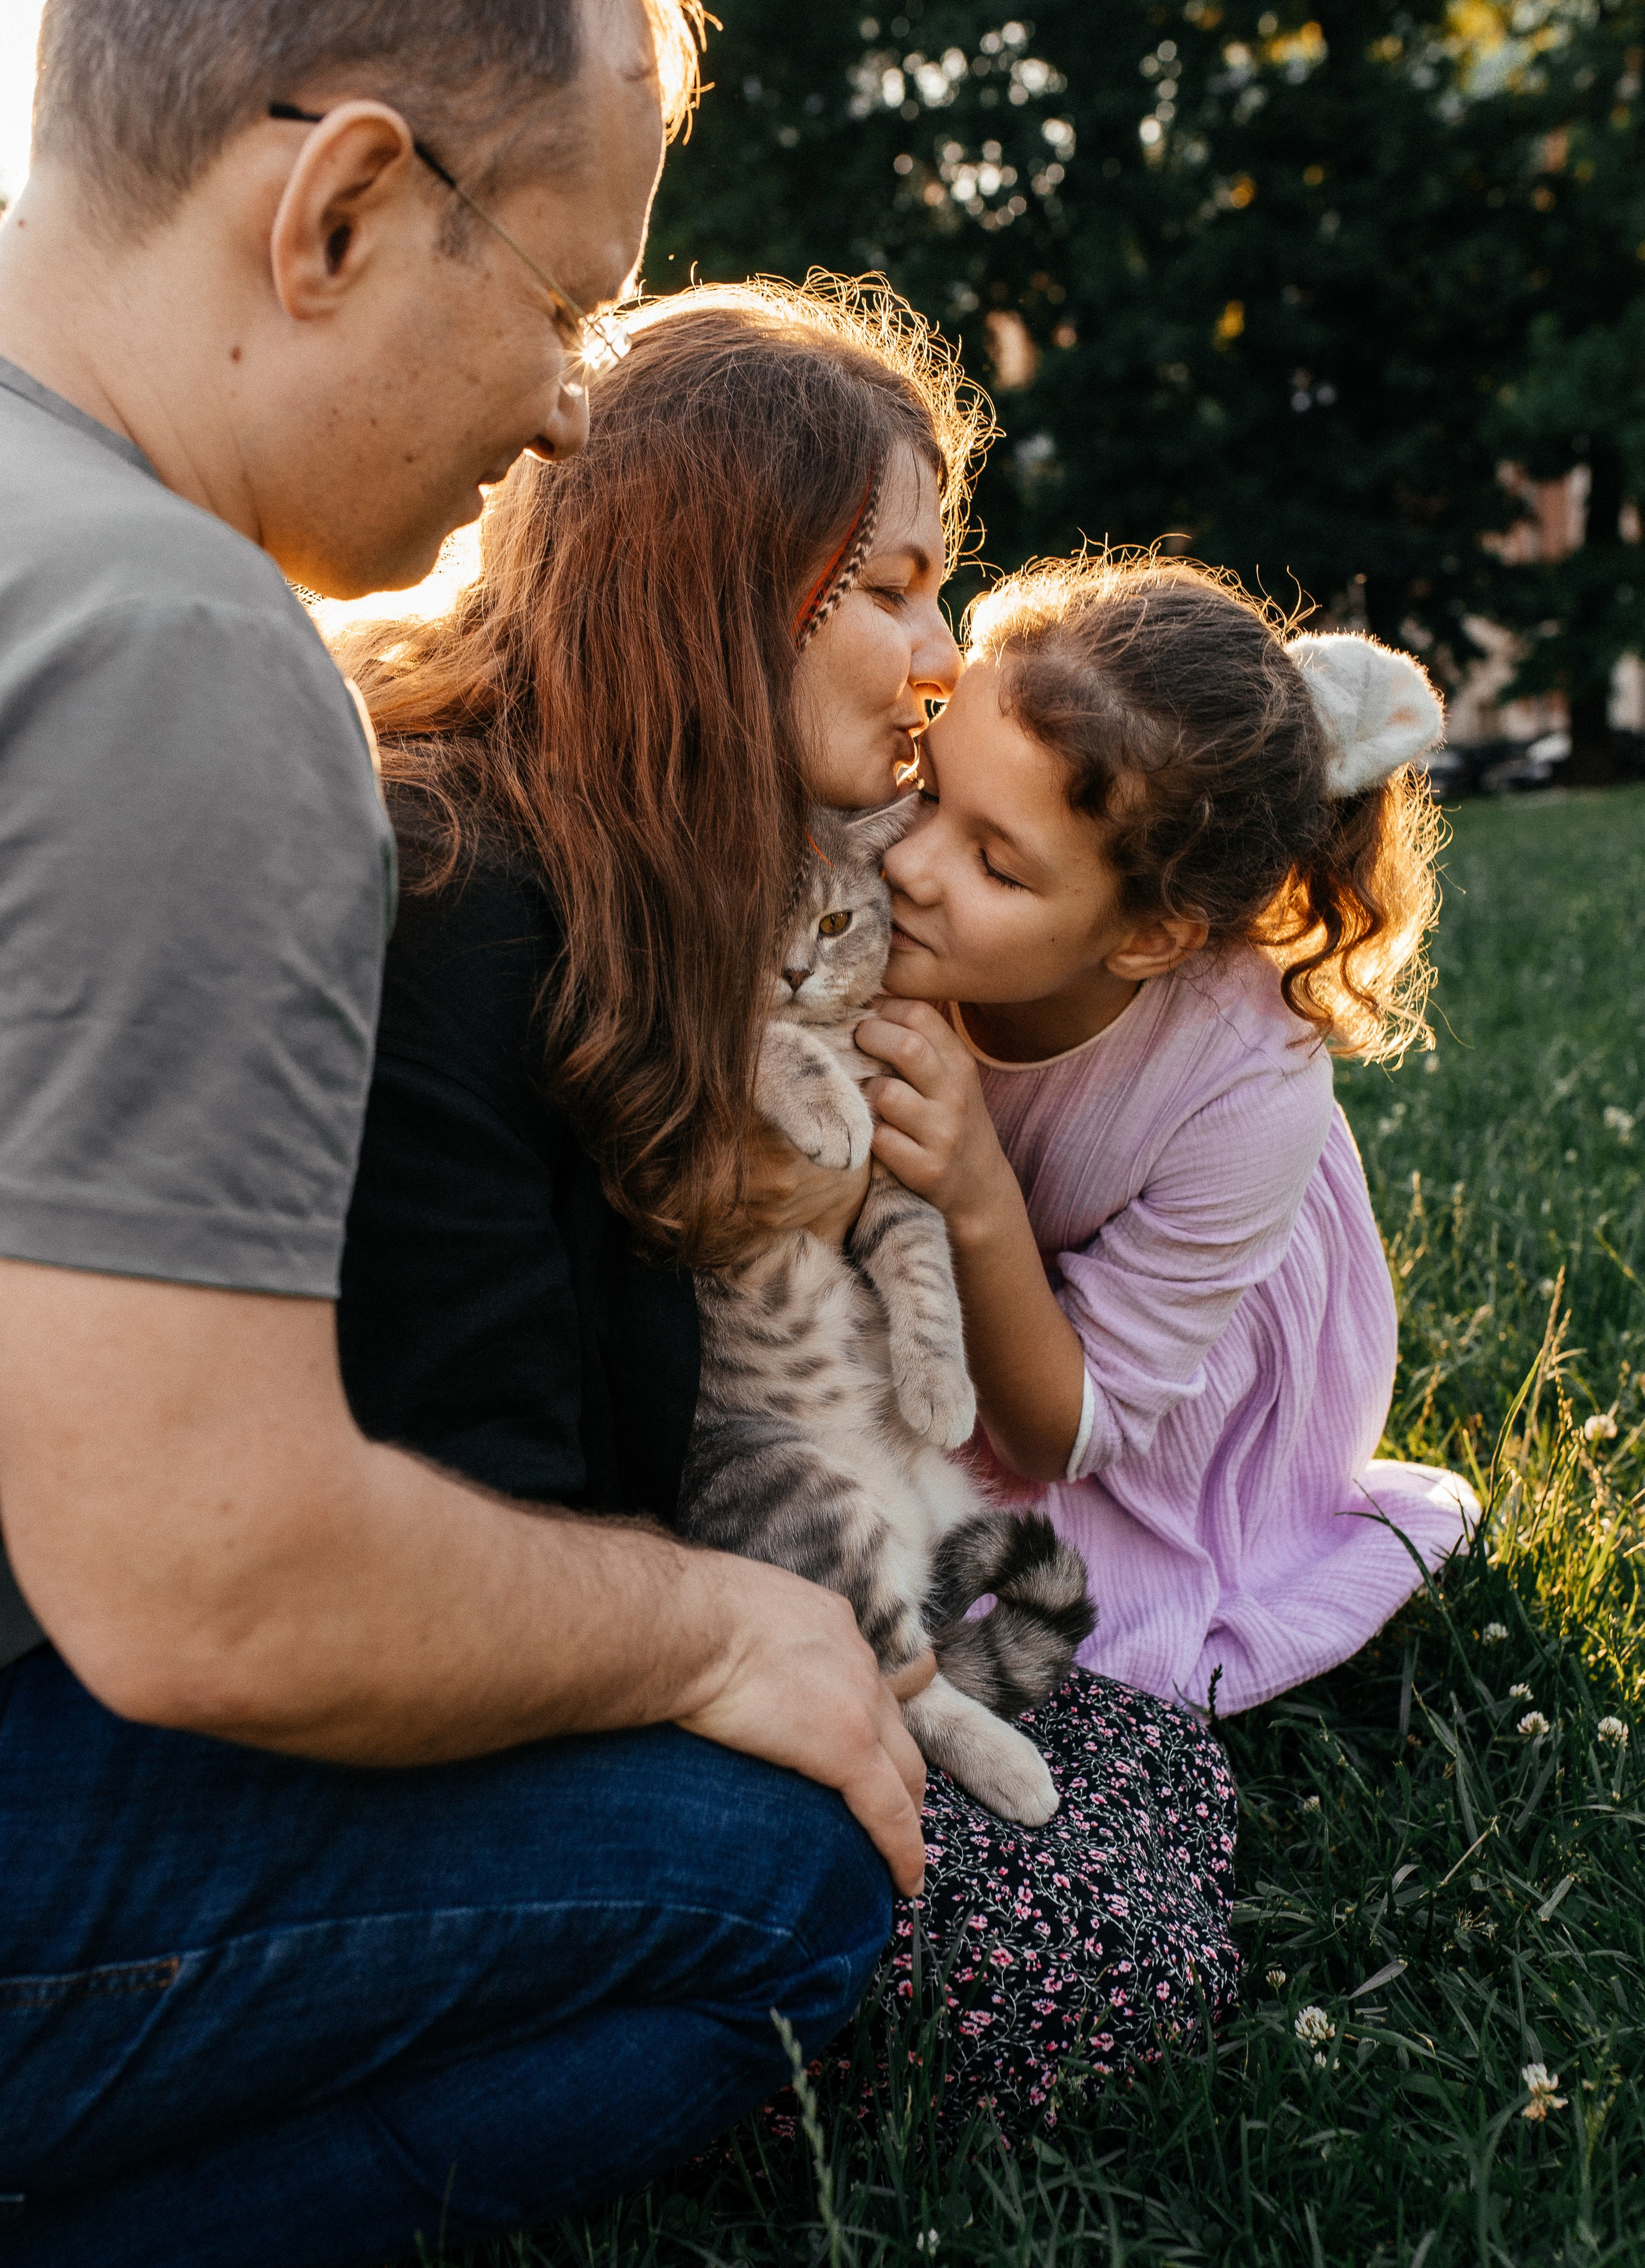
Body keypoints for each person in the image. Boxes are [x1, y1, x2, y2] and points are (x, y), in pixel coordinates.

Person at [0, 7, 932, 2268]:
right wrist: (729, 1624)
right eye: (561, 302)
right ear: (336, 212)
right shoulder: (175, 653)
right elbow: (210, 1582)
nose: (559, 408)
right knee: (785, 1870)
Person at [333, 282, 1242, 2146]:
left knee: (1139, 1768)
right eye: (898, 585)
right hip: (481, 1678)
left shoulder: (711, 869)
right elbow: (484, 1502)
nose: (940, 658)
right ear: (731, 582)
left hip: (702, 1584)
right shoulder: (458, 906)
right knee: (1012, 1942)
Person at [855, 553, 1479, 1722]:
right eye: (926, 788)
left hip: (1135, 1390)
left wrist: (975, 1188)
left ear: (1148, 938)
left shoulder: (1249, 1092)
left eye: (994, 862)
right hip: (962, 1287)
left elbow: (1062, 1434)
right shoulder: (887, 904)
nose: (908, 863)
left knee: (1007, 1614)